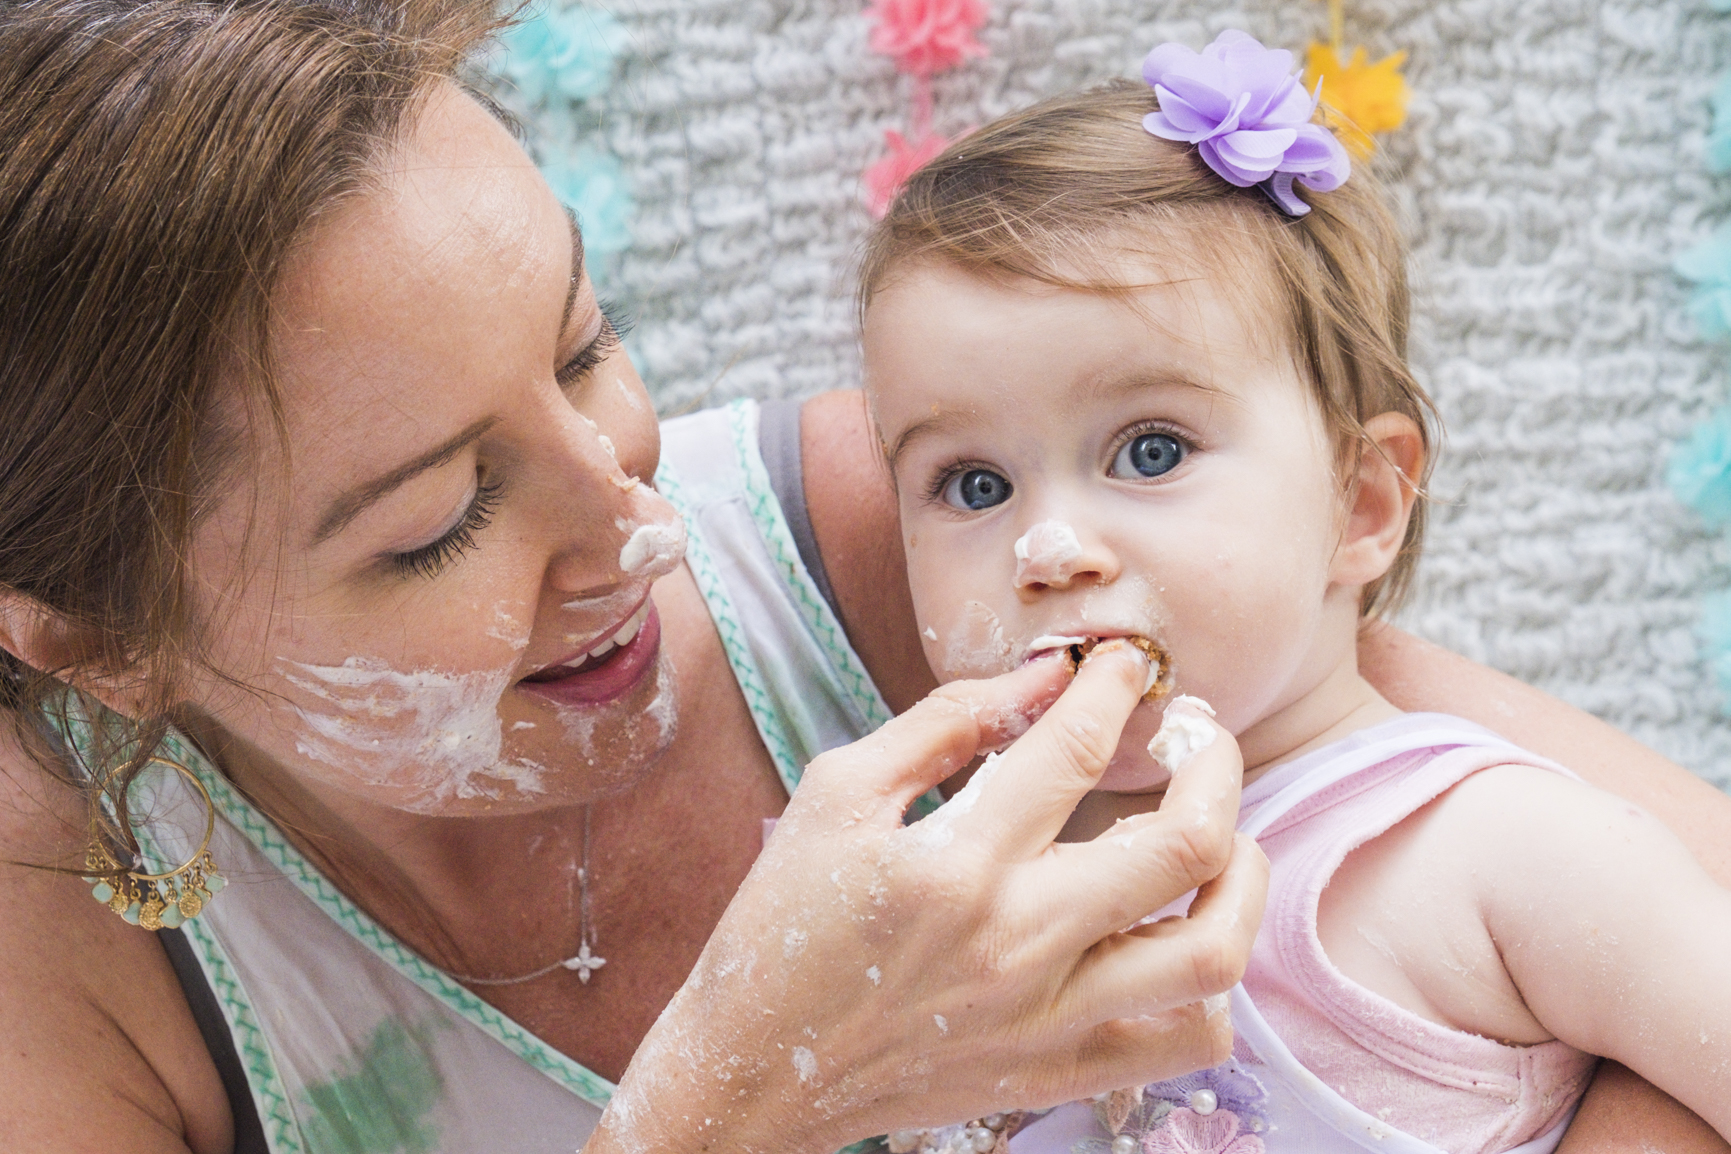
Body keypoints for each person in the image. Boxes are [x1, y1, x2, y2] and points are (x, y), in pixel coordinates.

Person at [0, 2, 1720, 1152]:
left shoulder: (885, 532)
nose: (634, 523)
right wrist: (710, 1111)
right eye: (441, 515)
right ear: (103, 646)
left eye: (588, 348)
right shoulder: (60, 951)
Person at [850, 32, 1731, 1154]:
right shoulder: (957, 908)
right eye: (973, 483)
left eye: (1152, 450)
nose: (1050, 546)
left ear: (1361, 503)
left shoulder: (1482, 846)